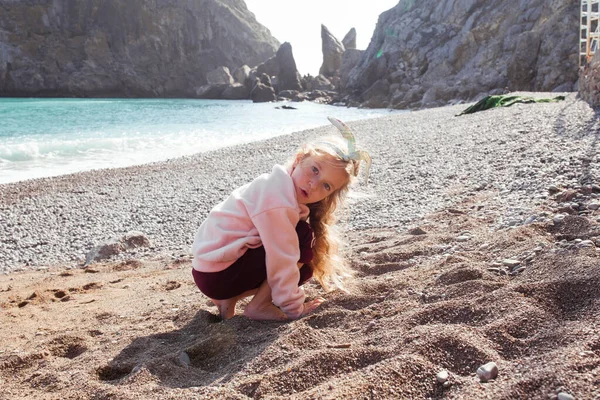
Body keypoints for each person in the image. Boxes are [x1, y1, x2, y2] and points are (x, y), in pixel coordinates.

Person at [191, 117, 371, 321]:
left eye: (326, 186)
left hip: (208, 271)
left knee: (305, 262)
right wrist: (293, 307)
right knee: (303, 240)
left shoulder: (274, 185)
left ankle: (228, 300)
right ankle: (260, 305)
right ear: (298, 159)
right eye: (314, 170)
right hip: (220, 275)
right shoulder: (279, 201)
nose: (314, 184)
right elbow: (282, 258)